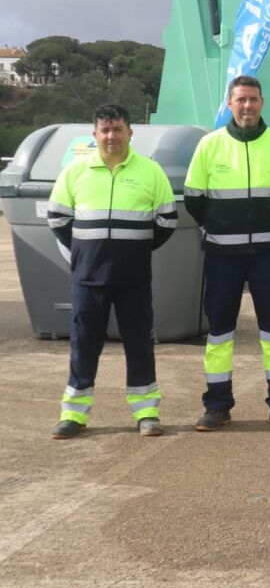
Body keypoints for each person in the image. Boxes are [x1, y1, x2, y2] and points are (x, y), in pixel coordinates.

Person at [184, 75, 270, 432]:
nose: (247, 106)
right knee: (220, 333)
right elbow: (195, 199)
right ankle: (217, 406)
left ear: (262, 102)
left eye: (253, 99)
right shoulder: (209, 145)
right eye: (240, 100)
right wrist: (219, 228)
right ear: (229, 103)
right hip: (223, 257)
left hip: (269, 256)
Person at [46, 104, 177, 438]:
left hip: (133, 280)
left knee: (139, 346)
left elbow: (167, 220)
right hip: (88, 280)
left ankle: (147, 412)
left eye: (117, 129)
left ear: (130, 133)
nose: (111, 136)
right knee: (84, 346)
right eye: (104, 130)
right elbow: (58, 218)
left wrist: (134, 249)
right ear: (95, 135)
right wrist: (84, 252)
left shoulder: (151, 171)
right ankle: (74, 415)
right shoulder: (75, 172)